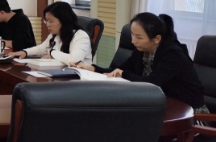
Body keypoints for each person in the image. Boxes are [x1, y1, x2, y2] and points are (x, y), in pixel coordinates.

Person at [73, 12, 205, 109]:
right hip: (159, 104)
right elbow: (120, 70)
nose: (133, 41)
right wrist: (93, 68)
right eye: (132, 35)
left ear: (157, 39)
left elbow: (152, 83)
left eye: (139, 37)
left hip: (187, 112)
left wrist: (124, 74)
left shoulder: (173, 55)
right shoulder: (142, 50)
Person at [10, 1, 92, 66]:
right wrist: (25, 52)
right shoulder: (55, 34)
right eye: (46, 21)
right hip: (60, 74)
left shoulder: (81, 36)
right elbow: (41, 49)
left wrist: (52, 53)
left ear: (64, 21)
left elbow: (74, 60)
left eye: (51, 21)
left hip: (79, 78)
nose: (47, 24)